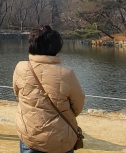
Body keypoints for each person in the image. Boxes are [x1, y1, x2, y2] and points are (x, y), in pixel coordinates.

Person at [13, 25, 85, 153]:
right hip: (61, 138)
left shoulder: (21, 68)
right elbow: (77, 106)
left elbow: (18, 95)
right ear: (56, 46)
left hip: (30, 135)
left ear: (31, 44)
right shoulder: (66, 74)